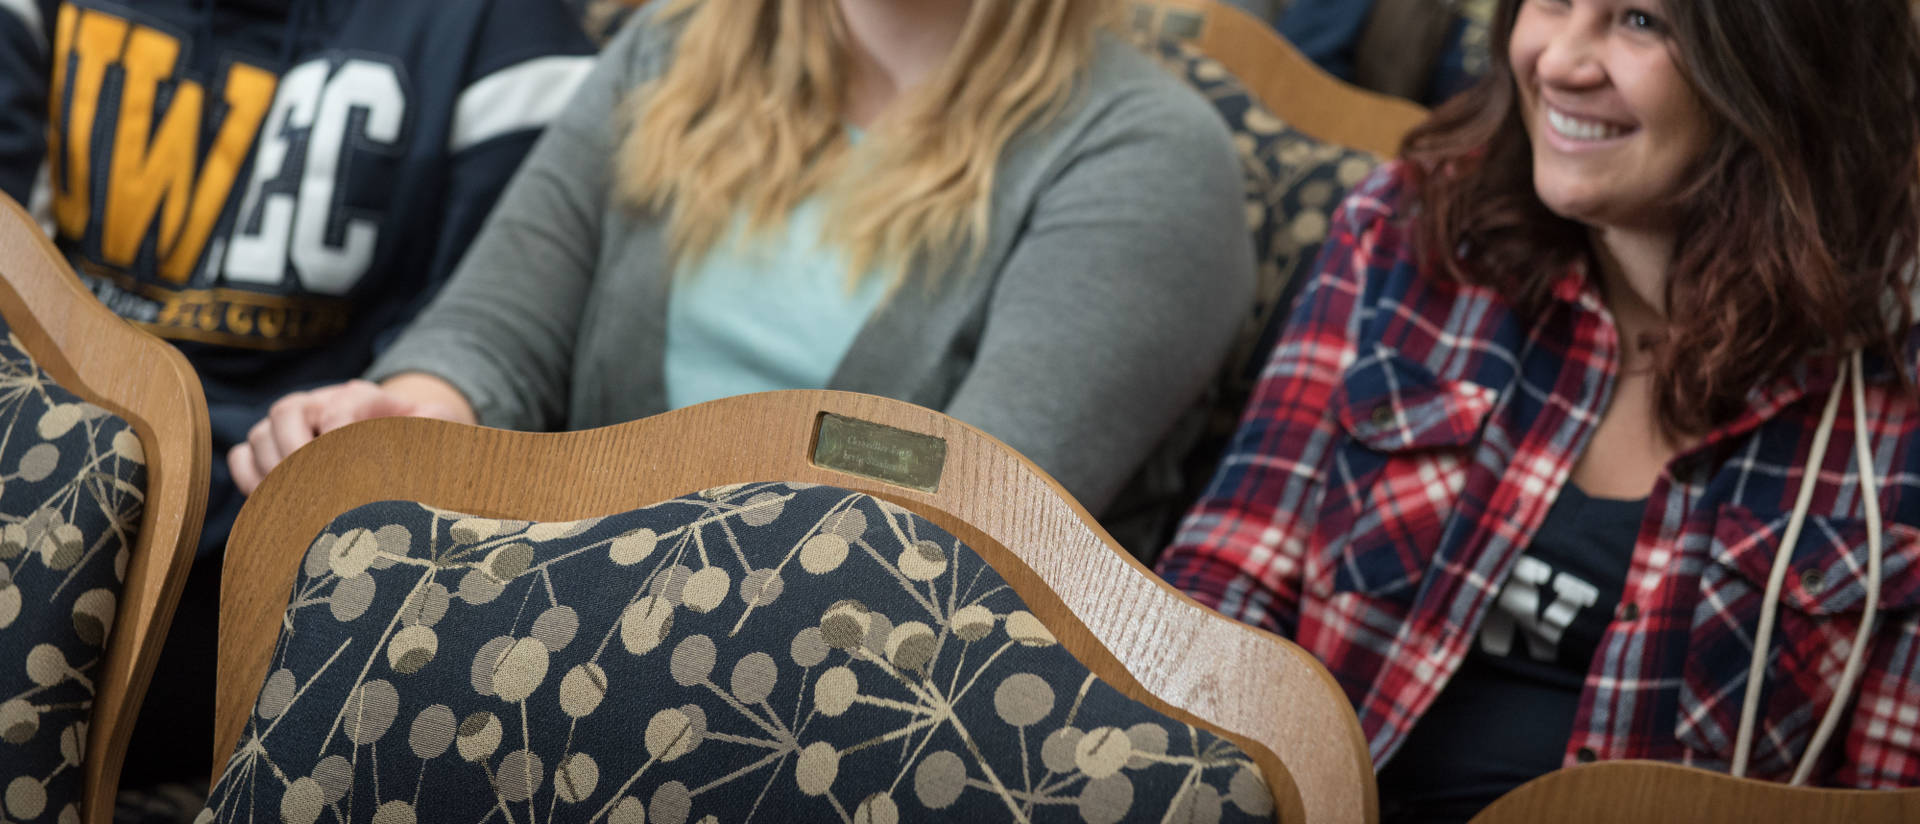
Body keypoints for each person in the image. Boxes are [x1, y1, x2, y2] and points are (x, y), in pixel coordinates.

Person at [1156, 0, 1920, 819]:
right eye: (1549, 2)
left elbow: (1880, 801)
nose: (1560, 61)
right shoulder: (1409, 230)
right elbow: (1221, 592)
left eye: (1639, 21)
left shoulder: (1889, 391)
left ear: (1783, 63)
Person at [229, 0, 1254, 546]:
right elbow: (493, 338)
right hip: (573, 632)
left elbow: (966, 518)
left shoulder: (1147, 152)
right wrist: (395, 416)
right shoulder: (670, 50)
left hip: (893, 707)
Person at [0, 0, 600, 790]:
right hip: (50, 486)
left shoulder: (511, 35)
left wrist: (391, 423)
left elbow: (484, 327)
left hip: (301, 545)